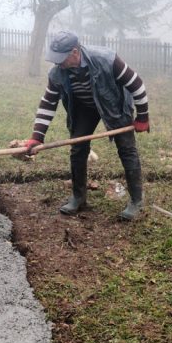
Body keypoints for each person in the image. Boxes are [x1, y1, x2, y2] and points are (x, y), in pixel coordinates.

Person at [23, 30, 150, 221]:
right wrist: (37, 137)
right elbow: (48, 103)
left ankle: (136, 202)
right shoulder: (57, 73)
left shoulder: (107, 59)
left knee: (126, 149)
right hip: (84, 107)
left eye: (61, 58)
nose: (58, 63)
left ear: (75, 52)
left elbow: (137, 85)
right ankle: (78, 197)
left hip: (113, 104)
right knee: (77, 148)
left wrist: (142, 117)